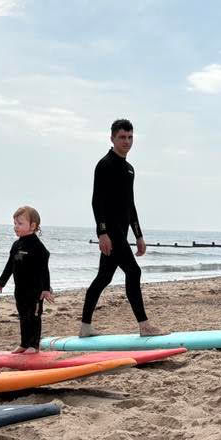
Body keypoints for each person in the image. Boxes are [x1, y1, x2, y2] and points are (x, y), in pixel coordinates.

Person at [79, 119, 164, 337]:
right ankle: (144, 326)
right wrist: (102, 233)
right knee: (134, 271)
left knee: (104, 278)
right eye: (122, 137)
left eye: (130, 137)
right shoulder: (105, 165)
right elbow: (96, 201)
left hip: (123, 232)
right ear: (112, 138)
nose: (127, 141)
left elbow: (130, 204)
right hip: (112, 233)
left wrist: (139, 235)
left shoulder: (129, 169)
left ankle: (85, 327)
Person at [0, 206, 55, 353]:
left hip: (36, 290)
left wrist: (45, 288)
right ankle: (24, 344)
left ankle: (34, 345)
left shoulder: (38, 247)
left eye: (20, 223)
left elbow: (44, 268)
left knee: (34, 316)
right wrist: (1, 283)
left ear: (33, 226)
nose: (15, 227)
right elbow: (10, 265)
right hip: (20, 289)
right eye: (15, 223)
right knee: (23, 316)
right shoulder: (16, 245)